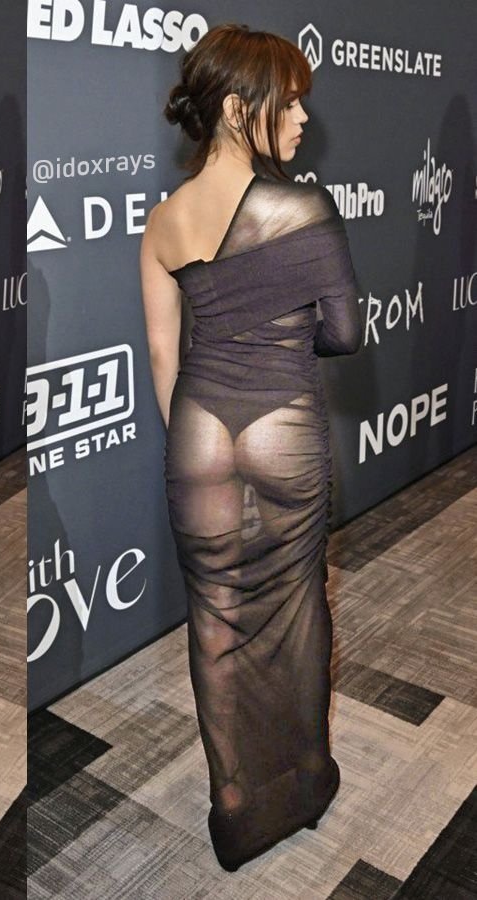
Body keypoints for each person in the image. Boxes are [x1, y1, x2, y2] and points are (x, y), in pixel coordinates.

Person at [140, 24, 362, 872]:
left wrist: (190, 442)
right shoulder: (302, 208)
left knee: (216, 614)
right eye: (290, 100)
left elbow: (164, 356)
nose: (303, 117)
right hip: (282, 424)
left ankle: (233, 804)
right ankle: (302, 780)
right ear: (239, 109)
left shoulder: (164, 221)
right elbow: (344, 334)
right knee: (297, 604)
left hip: (197, 427)